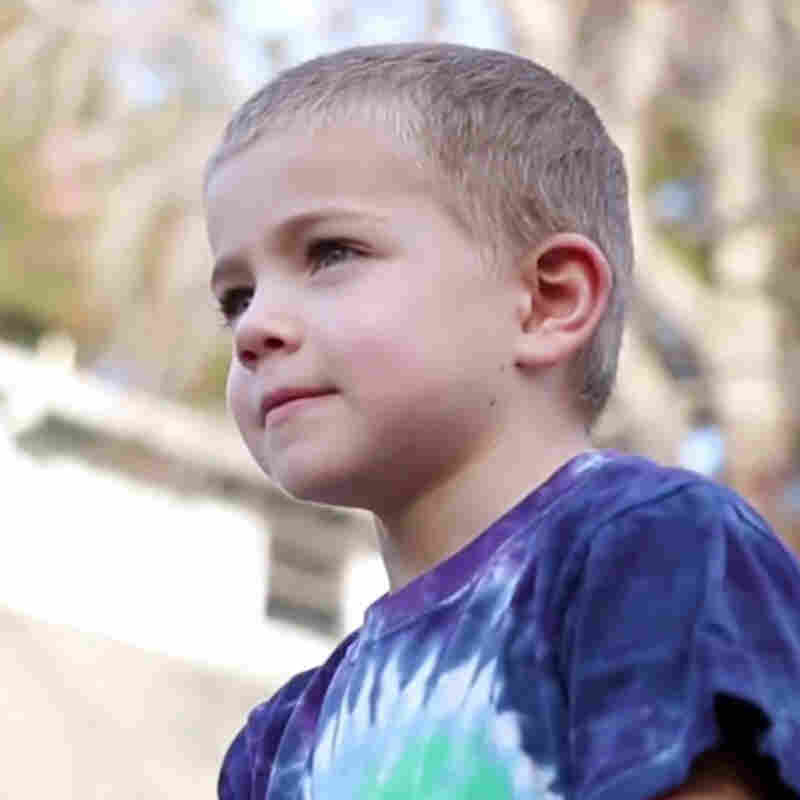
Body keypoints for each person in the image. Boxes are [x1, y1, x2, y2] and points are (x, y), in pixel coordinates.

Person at [204, 43, 800, 799]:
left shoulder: (651, 557)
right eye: (235, 298)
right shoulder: (277, 745)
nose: (255, 327)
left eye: (330, 253)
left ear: (547, 302)